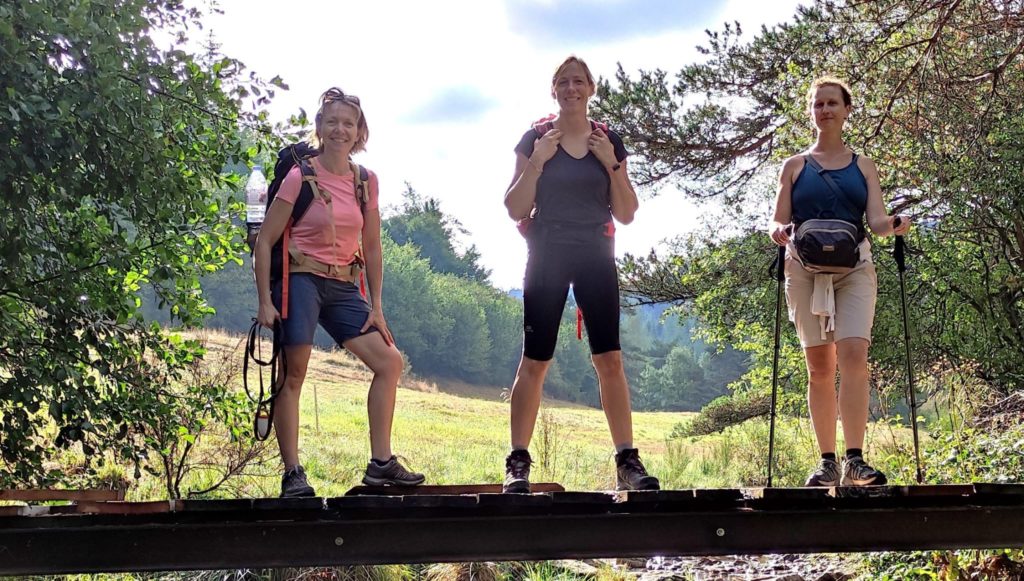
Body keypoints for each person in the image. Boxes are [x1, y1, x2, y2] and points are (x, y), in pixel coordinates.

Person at [254, 88, 424, 497]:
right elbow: (265, 240)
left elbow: (373, 246)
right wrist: (265, 300)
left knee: (389, 362)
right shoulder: (300, 177)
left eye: (348, 123)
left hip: (344, 284)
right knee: (293, 374)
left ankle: (381, 464)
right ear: (320, 127)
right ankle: (293, 474)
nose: (340, 130)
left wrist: (377, 307)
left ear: (360, 132)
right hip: (301, 280)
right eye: (332, 122)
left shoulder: (366, 182)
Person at [502, 56, 660, 493]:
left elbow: (626, 213)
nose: (571, 88)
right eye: (563, 82)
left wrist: (611, 163)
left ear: (591, 88)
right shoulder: (536, 138)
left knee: (609, 358)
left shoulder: (608, 140)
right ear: (553, 90)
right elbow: (515, 207)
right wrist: (538, 160)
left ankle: (627, 461)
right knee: (535, 360)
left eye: (578, 81)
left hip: (595, 251)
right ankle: (518, 462)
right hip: (547, 251)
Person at [769, 76, 911, 487]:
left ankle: (855, 460)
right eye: (818, 104)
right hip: (804, 271)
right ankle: (827, 462)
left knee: (853, 357)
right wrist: (777, 231)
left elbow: (876, 222)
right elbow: (777, 219)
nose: (825, 110)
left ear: (847, 110)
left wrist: (895, 224)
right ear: (810, 112)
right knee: (818, 367)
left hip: (854, 270)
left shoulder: (863, 165)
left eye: (832, 103)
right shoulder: (794, 166)